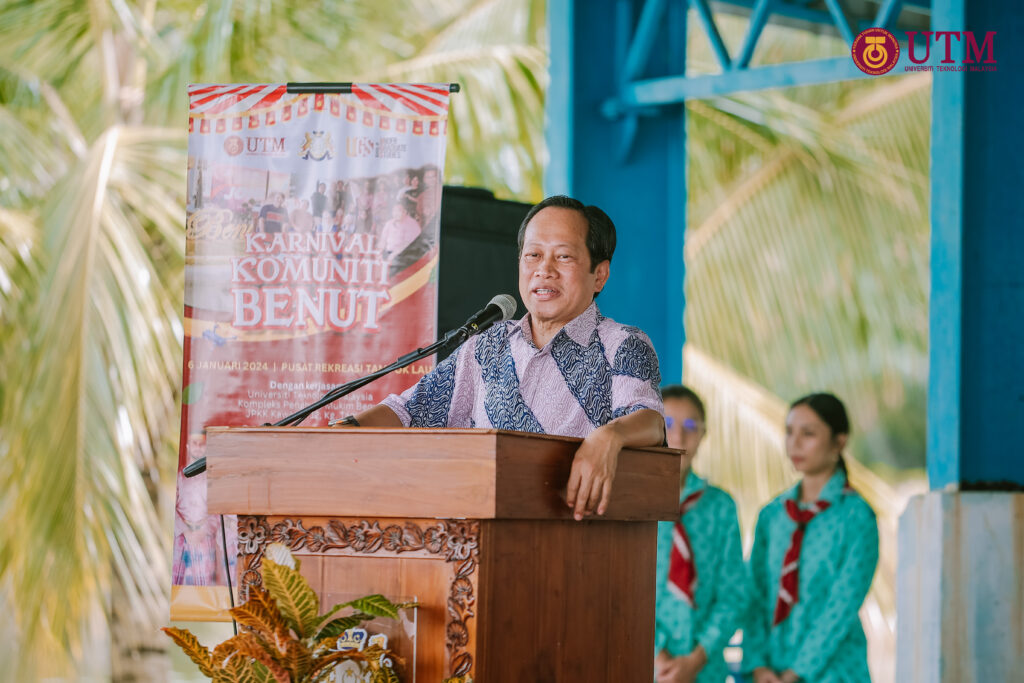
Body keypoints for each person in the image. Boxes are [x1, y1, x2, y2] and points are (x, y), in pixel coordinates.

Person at [353, 195, 666, 520]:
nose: (544, 270)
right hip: (476, 540)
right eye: (533, 255)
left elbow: (648, 419)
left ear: (599, 275)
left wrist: (609, 436)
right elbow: (407, 412)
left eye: (563, 256)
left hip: (575, 541)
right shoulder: (486, 346)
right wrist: (344, 432)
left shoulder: (623, 344)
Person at [742, 393, 879, 683]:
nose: (795, 443)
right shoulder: (773, 515)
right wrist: (758, 666)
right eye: (789, 432)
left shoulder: (857, 517)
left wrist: (796, 674)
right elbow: (755, 593)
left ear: (839, 441)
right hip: (770, 669)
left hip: (835, 670)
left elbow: (841, 606)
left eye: (809, 434)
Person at [654, 386, 747, 683]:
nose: (679, 436)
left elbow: (733, 595)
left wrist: (695, 660)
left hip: (704, 670)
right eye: (667, 424)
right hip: (638, 660)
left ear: (704, 434)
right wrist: (656, 654)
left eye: (691, 426)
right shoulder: (624, 499)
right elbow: (613, 587)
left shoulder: (720, 507)